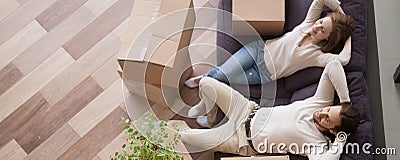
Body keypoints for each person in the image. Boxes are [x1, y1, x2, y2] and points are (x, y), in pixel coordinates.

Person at [177, 61, 360, 159]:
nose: (322, 113)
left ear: (333, 131)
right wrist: (345, 102)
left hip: (241, 141)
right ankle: (210, 118)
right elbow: (333, 66)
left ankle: (210, 124)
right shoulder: (320, 103)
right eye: (329, 109)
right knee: (206, 82)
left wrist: (341, 140)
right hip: (246, 110)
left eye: (327, 119)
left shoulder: (317, 145)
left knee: (184, 137)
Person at [185, 0, 355, 88]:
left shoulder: (317, 56)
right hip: (257, 50)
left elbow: (344, 59)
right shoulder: (307, 24)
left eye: (322, 31)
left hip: (262, 75)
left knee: (222, 78)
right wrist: (340, 15)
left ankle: (203, 80)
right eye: (320, 22)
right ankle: (203, 81)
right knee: (222, 73)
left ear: (327, 39)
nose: (316, 27)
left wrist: (348, 37)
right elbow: (320, 0)